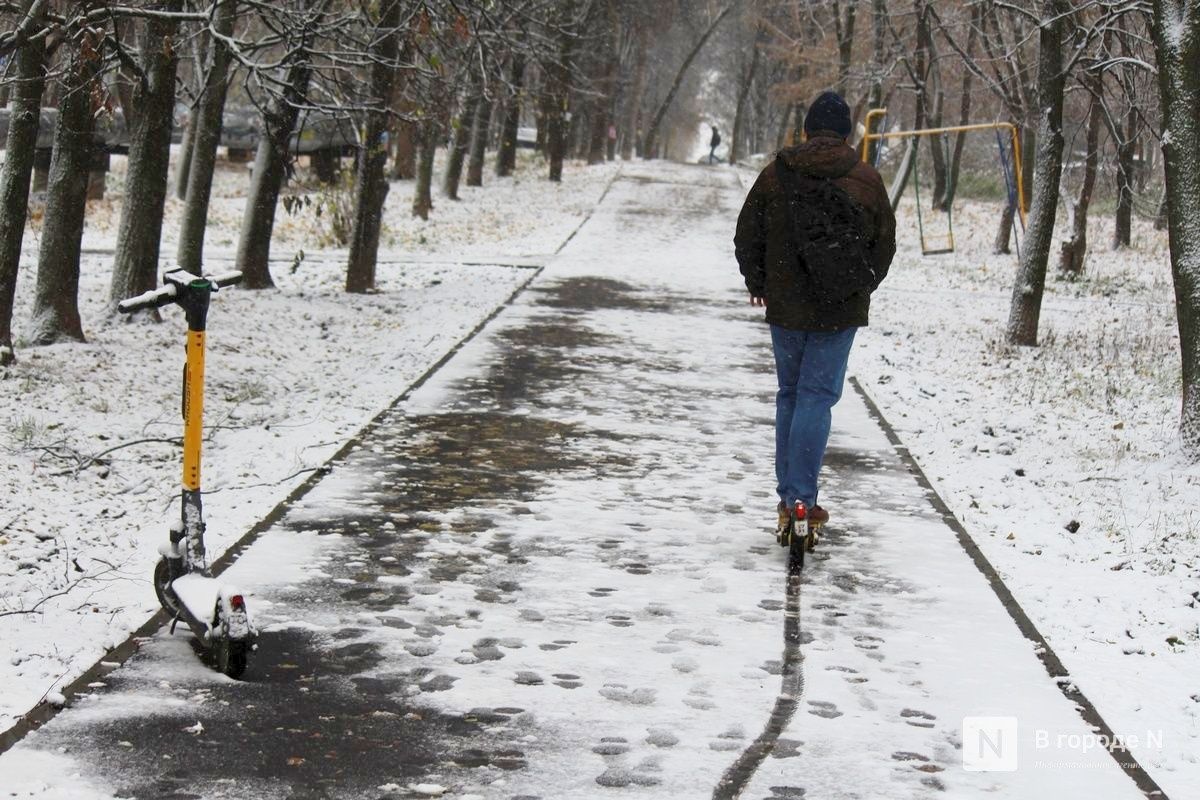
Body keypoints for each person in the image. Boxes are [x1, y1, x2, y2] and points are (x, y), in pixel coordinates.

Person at [733, 90, 896, 548]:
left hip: (785, 306)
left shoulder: (777, 174)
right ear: (847, 133)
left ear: (806, 130)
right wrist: (859, 286)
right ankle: (802, 500)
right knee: (817, 398)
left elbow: (747, 234)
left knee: (790, 394)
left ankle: (791, 499)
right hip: (839, 309)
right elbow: (884, 247)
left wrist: (760, 282)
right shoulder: (867, 179)